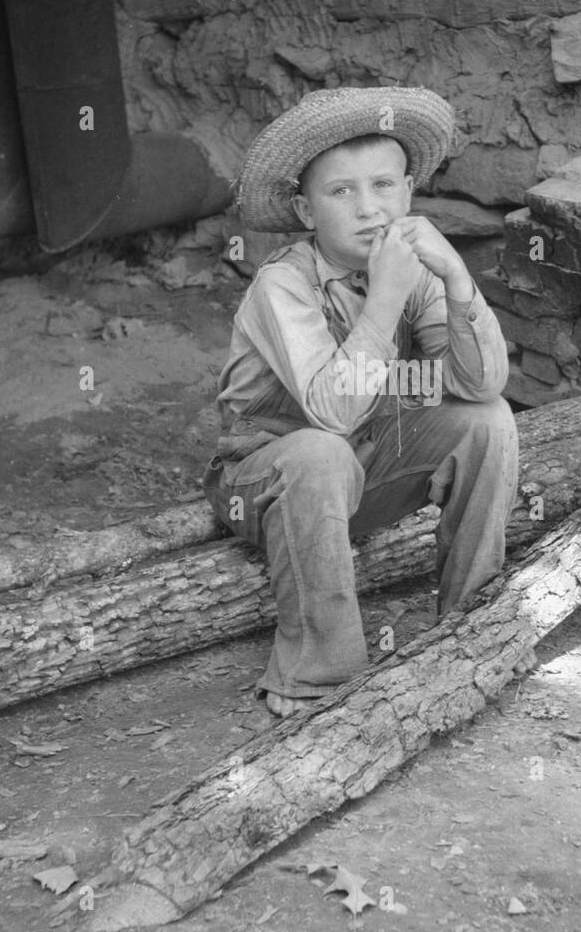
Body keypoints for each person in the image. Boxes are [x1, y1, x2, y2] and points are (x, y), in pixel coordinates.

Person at [202, 86, 519, 715]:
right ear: (304, 209)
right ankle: (320, 676)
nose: (368, 209)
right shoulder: (283, 284)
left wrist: (456, 280)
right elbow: (333, 415)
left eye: (383, 186)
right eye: (341, 192)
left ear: (408, 193)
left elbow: (480, 385)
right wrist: (383, 300)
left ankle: (472, 629)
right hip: (265, 481)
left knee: (488, 422)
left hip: (363, 470)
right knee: (321, 453)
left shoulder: (417, 270)